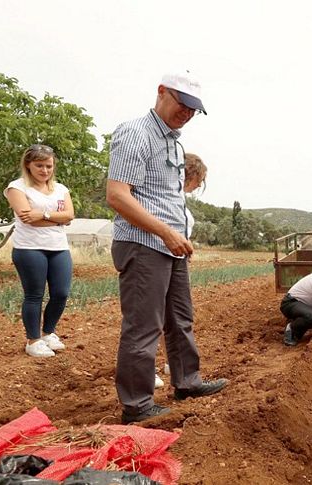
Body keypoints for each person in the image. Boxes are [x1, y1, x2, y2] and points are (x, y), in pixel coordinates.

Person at [106, 71, 227, 424]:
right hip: (144, 244)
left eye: (194, 109)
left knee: (180, 318)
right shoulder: (135, 133)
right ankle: (137, 405)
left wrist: (178, 235)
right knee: (143, 326)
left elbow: (168, 197)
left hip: (170, 247)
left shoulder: (173, 141)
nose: (187, 113)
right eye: (183, 104)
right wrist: (165, 232)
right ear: (161, 92)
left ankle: (187, 381)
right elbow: (117, 195)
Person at [4, 144, 75, 358]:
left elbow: (70, 215)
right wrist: (56, 218)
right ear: (28, 165)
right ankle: (33, 340)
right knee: (34, 295)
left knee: (61, 294)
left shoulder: (61, 189)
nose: (45, 170)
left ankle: (48, 333)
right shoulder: (16, 187)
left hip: (59, 248)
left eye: (49, 166)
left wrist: (42, 215)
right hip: (29, 248)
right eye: (39, 166)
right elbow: (28, 219)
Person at [154, 152, 208, 389]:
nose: (198, 186)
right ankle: (147, 370)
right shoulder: (160, 196)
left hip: (177, 260)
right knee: (151, 318)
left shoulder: (180, 200)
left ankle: (177, 369)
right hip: (156, 256)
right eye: (200, 180)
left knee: (177, 317)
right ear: (190, 174)